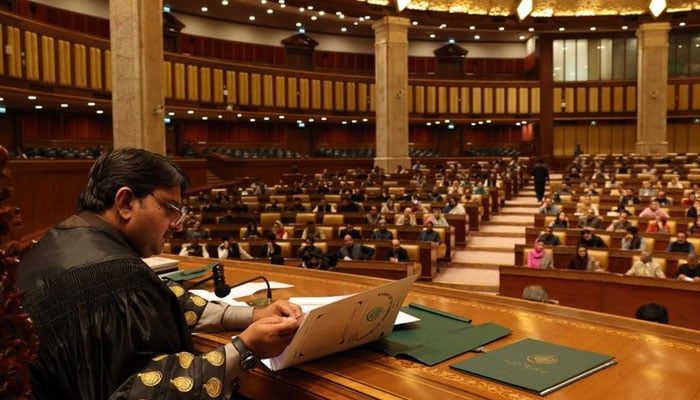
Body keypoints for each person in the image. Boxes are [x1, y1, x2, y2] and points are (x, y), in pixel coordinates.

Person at [16, 148, 302, 399]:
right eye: (169, 208)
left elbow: (159, 303)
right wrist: (244, 349)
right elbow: (147, 390)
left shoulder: (58, 241)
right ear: (126, 203)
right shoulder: (116, 274)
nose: (176, 225)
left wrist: (252, 315)